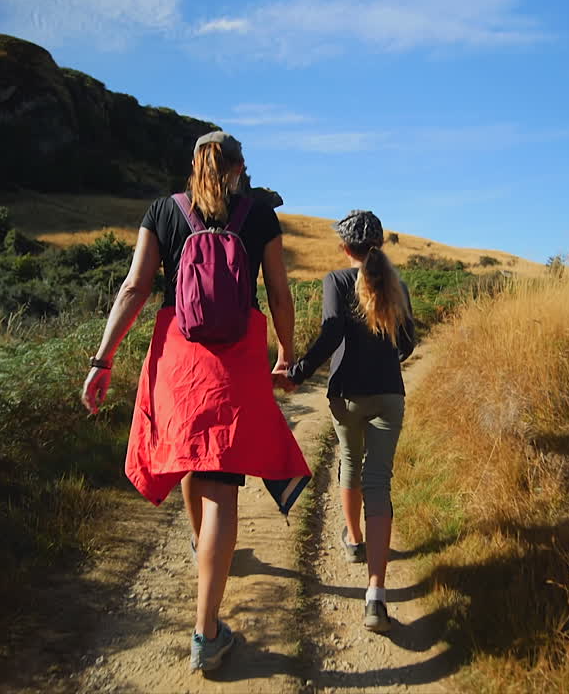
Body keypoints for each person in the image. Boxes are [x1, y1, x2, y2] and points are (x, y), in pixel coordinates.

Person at [81, 131, 310, 673]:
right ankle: (207, 634)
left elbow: (135, 288)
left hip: (177, 361)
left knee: (189, 461)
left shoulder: (162, 211)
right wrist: (285, 355)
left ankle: (199, 544)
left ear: (194, 164)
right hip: (237, 363)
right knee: (223, 489)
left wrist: (102, 358)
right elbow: (278, 292)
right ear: (240, 167)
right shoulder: (259, 217)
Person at [279, 209, 416, 633]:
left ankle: (353, 541)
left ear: (344, 247)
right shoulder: (400, 285)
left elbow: (332, 332)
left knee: (351, 465)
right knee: (380, 483)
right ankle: (376, 595)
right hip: (390, 396)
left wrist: (298, 373)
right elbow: (408, 342)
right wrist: (387, 365)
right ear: (379, 244)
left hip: (346, 397)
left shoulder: (337, 281)